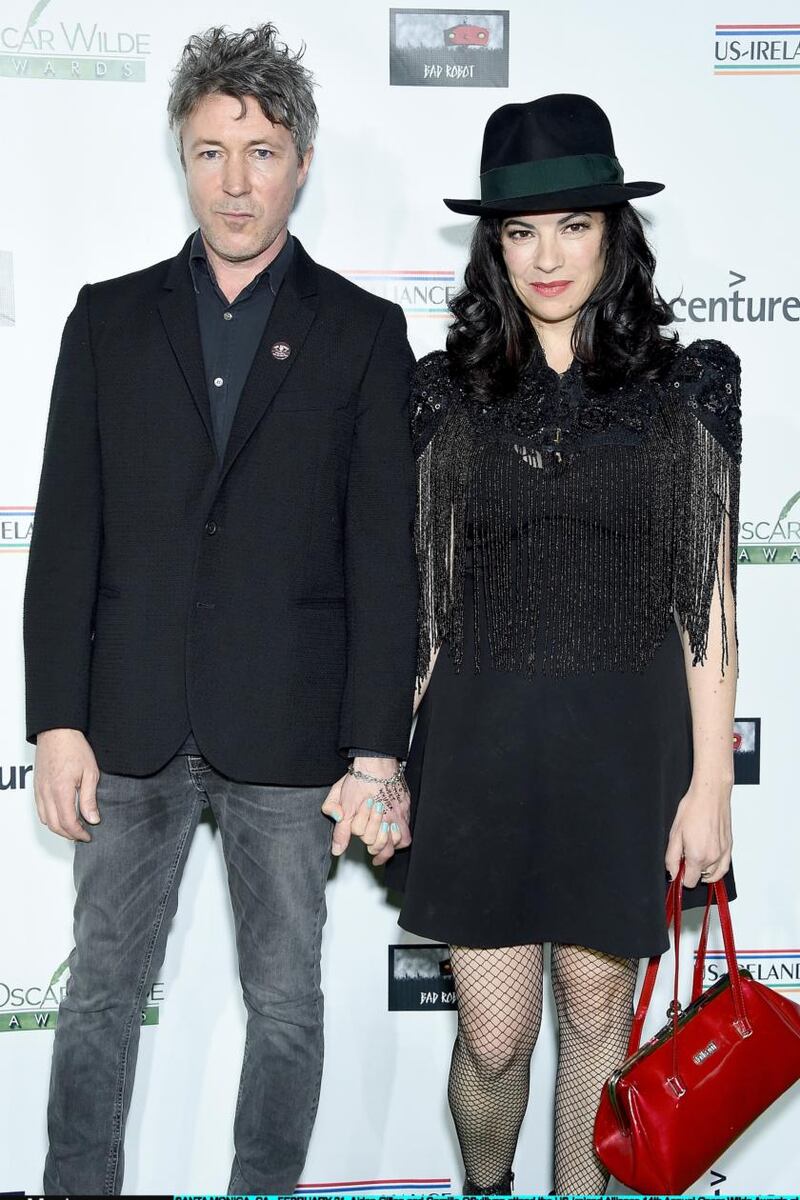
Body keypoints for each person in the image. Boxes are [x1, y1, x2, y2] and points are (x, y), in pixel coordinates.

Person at [24, 24, 417, 1195]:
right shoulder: (104, 319)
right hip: (127, 723)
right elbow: (65, 540)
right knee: (98, 990)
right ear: (179, 158)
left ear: (300, 162)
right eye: (209, 152)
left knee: (286, 1003)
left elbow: (381, 560)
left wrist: (377, 751)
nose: (235, 181)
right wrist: (56, 721)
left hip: (290, 737)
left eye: (261, 151)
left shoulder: (362, 333)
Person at [385, 94, 741, 1195]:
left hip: (623, 755)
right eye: (518, 231)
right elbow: (423, 608)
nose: (546, 255)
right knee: (493, 1039)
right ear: (492, 248)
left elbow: (709, 601)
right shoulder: (441, 392)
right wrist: (384, 762)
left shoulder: (690, 386)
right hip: (480, 754)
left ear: (612, 233)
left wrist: (712, 783)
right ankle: (487, 1191)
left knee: (597, 1017)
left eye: (572, 225)